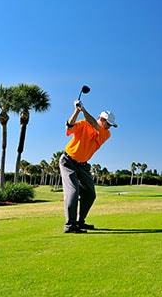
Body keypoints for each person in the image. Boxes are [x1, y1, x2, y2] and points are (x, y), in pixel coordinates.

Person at [59, 99, 117, 233]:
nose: (109, 127)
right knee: (73, 192)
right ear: (102, 119)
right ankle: (70, 225)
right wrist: (76, 110)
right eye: (108, 124)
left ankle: (80, 222)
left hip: (83, 165)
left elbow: (94, 125)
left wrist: (83, 109)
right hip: (68, 161)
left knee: (90, 193)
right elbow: (69, 126)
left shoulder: (106, 133)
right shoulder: (83, 124)